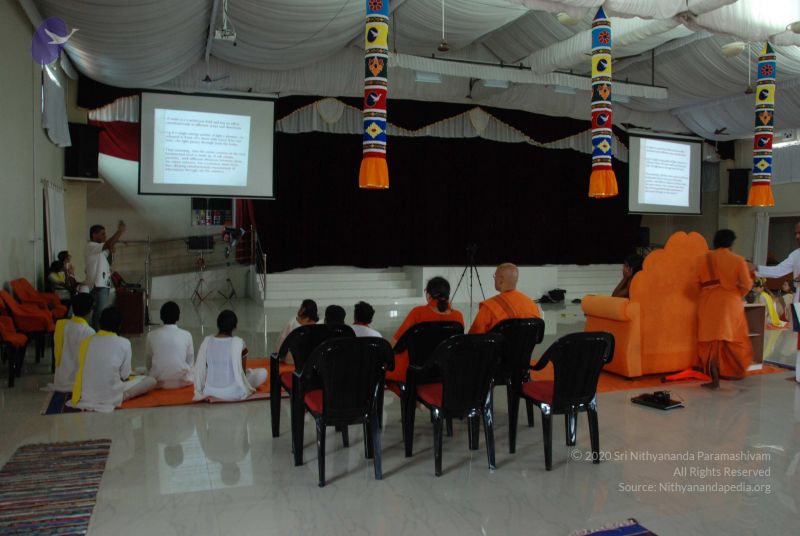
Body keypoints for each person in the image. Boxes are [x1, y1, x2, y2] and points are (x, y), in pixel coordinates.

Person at [696, 229, 753, 389]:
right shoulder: (738, 260)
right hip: (731, 306)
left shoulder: (703, 259)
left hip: (708, 305)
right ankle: (735, 372)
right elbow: (746, 285)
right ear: (731, 243)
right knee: (733, 340)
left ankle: (714, 379)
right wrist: (736, 294)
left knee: (711, 344)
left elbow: (695, 283)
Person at [69, 307, 156, 411]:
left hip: (86, 395)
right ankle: (121, 396)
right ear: (119, 326)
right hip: (111, 396)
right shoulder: (124, 343)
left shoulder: (86, 342)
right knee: (151, 381)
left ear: (100, 323)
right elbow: (125, 375)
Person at [387, 276, 464, 383]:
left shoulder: (418, 313)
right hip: (446, 371)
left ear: (428, 295)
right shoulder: (458, 316)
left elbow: (396, 342)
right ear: (447, 295)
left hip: (418, 370)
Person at [756, 221, 800, 383]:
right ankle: (799, 375)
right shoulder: (796, 254)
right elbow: (778, 271)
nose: (797, 236)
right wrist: (756, 268)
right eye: (796, 233)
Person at [193, 310, 267, 401]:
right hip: (233, 392)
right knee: (262, 373)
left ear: (218, 325)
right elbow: (242, 373)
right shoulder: (239, 343)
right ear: (235, 326)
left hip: (209, 391)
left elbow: (203, 368)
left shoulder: (206, 341)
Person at [469, 263, 541, 334]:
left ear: (501, 280)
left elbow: (474, 337)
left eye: (495, 276)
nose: (494, 279)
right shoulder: (533, 306)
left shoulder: (489, 307)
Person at [145, 301, 195, 389]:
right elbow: (190, 362)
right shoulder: (187, 334)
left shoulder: (151, 335)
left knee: (142, 372)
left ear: (161, 317)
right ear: (178, 317)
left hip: (156, 382)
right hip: (183, 381)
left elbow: (149, 362)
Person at [85, 221, 125, 329]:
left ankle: (96, 331)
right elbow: (108, 243)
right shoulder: (91, 246)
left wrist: (110, 251)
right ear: (94, 235)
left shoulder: (100, 249)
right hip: (98, 284)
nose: (105, 236)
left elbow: (109, 262)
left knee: (100, 311)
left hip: (103, 283)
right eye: (102, 234)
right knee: (100, 312)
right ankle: (96, 332)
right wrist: (120, 231)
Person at [53, 292, 95, 393]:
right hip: (79, 384)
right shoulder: (88, 331)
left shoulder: (61, 326)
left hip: (60, 381)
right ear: (90, 311)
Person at [275, 299, 319, 363]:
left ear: (303, 309)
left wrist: (278, 355)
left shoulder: (292, 322)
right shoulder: (318, 325)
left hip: (292, 359)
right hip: (310, 359)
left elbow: (282, 340)